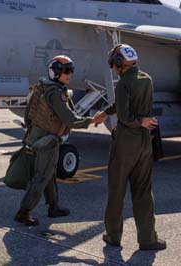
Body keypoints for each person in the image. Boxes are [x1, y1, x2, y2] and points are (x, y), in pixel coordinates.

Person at [14, 55, 103, 226]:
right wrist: (91, 121)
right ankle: (23, 212)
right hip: (47, 140)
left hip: (39, 136)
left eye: (70, 70)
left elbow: (28, 114)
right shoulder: (55, 93)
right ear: (55, 73)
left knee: (50, 173)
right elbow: (70, 119)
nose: (69, 74)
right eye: (65, 71)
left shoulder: (42, 86)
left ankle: (53, 206)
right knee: (42, 176)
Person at [94, 44, 166, 250]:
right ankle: (148, 239)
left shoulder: (123, 83)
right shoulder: (146, 79)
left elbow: (125, 116)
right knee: (143, 190)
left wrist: (137, 121)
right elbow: (129, 104)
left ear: (119, 64)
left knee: (117, 190)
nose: (112, 68)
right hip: (145, 141)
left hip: (126, 142)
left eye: (112, 64)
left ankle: (113, 236)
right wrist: (107, 112)